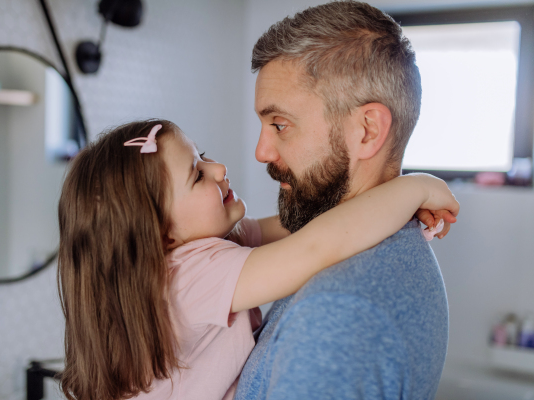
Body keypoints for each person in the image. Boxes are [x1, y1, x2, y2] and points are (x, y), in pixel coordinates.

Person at [56, 119, 458, 400]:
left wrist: (386, 203)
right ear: (161, 233)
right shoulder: (190, 276)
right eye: (197, 175)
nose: (219, 169)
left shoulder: (205, 243)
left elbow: (304, 225)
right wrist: (416, 188)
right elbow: (317, 246)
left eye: (204, 156)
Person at [235, 1, 454, 399]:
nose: (262, 151)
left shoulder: (336, 313)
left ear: (367, 131)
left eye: (280, 125)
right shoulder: (392, 242)